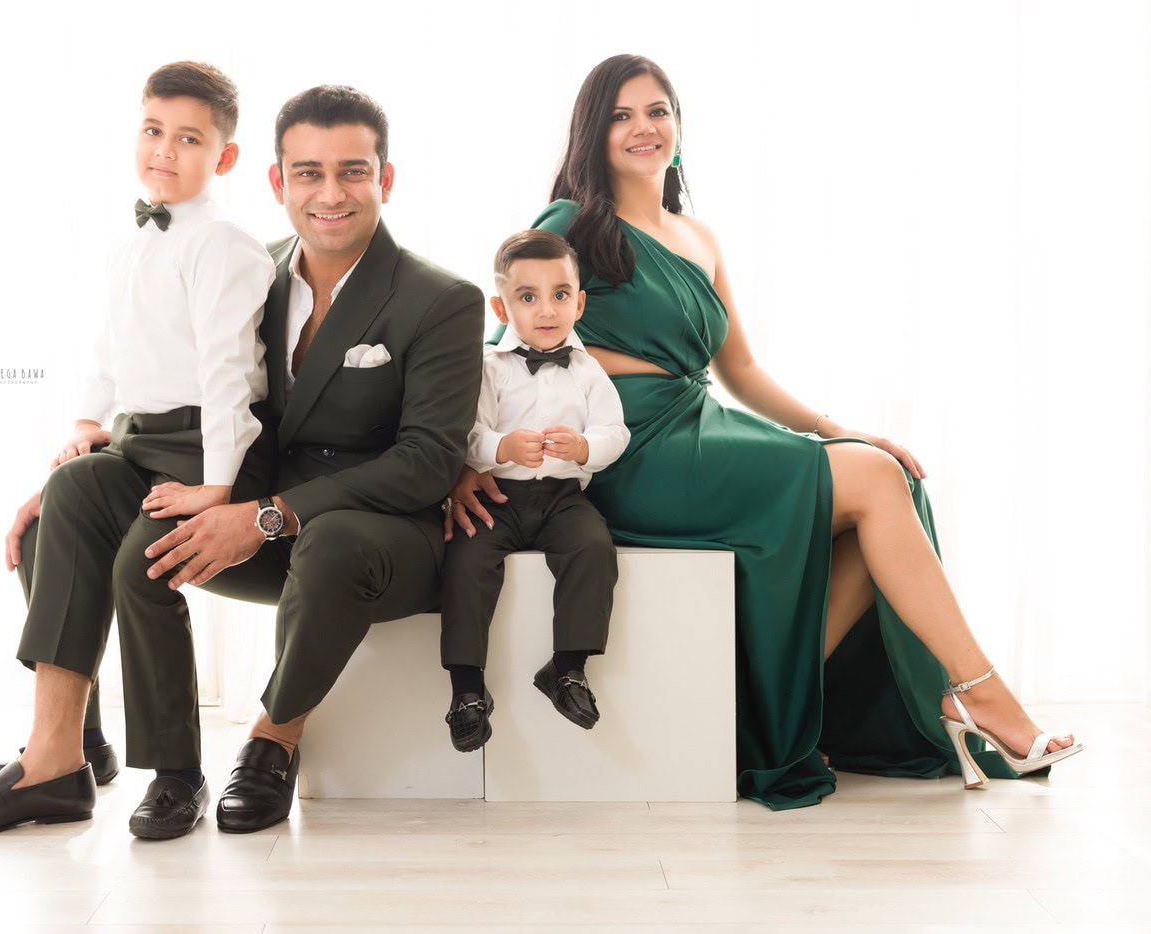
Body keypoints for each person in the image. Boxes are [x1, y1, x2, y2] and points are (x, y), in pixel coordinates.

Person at [447, 54, 1082, 809]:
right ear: (593, 133)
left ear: (678, 127)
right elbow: (511, 346)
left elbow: (740, 370)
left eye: (657, 110)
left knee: (886, 477)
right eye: (620, 115)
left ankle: (774, 714)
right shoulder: (571, 224)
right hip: (628, 444)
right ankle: (981, 696)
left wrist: (841, 432)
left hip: (699, 421)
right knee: (874, 485)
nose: (643, 128)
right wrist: (469, 456)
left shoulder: (697, 235)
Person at [6, 85, 484, 834]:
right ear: (276, 181)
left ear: (385, 180)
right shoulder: (244, 267)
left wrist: (266, 515)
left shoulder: (443, 298)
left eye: (353, 172)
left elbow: (426, 463)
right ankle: (75, 746)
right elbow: (181, 379)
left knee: (330, 543)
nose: (330, 193)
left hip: (379, 539)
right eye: (308, 173)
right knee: (66, 508)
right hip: (257, 517)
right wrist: (84, 455)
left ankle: (272, 737)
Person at [0, 60, 275, 838]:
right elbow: (112, 348)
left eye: (188, 139)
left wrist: (217, 486)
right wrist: (84, 420)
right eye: (152, 131)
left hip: (204, 448)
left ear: (225, 158)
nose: (164, 151)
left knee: (145, 561)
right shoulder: (130, 243)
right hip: (139, 440)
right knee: (52, 515)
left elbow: (227, 374)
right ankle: (74, 748)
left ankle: (177, 772)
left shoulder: (225, 246)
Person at [439, 229, 628, 753]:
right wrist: (502, 448)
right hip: (498, 498)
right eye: (528, 297)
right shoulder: (488, 370)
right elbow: (468, 435)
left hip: (564, 498)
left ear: (579, 302)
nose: (546, 310)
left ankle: (568, 668)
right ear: (501, 305)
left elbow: (617, 432)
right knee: (465, 560)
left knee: (593, 549)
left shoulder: (589, 373)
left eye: (560, 295)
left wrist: (584, 447)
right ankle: (466, 689)